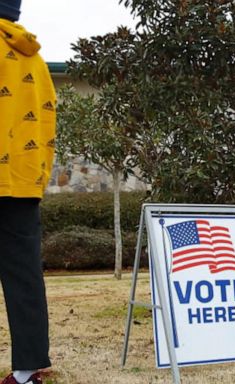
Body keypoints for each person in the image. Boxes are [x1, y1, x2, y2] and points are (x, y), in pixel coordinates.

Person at [0, 0, 56, 383]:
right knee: (24, 276)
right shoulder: (36, 60)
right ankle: (28, 370)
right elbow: (48, 126)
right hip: (22, 182)